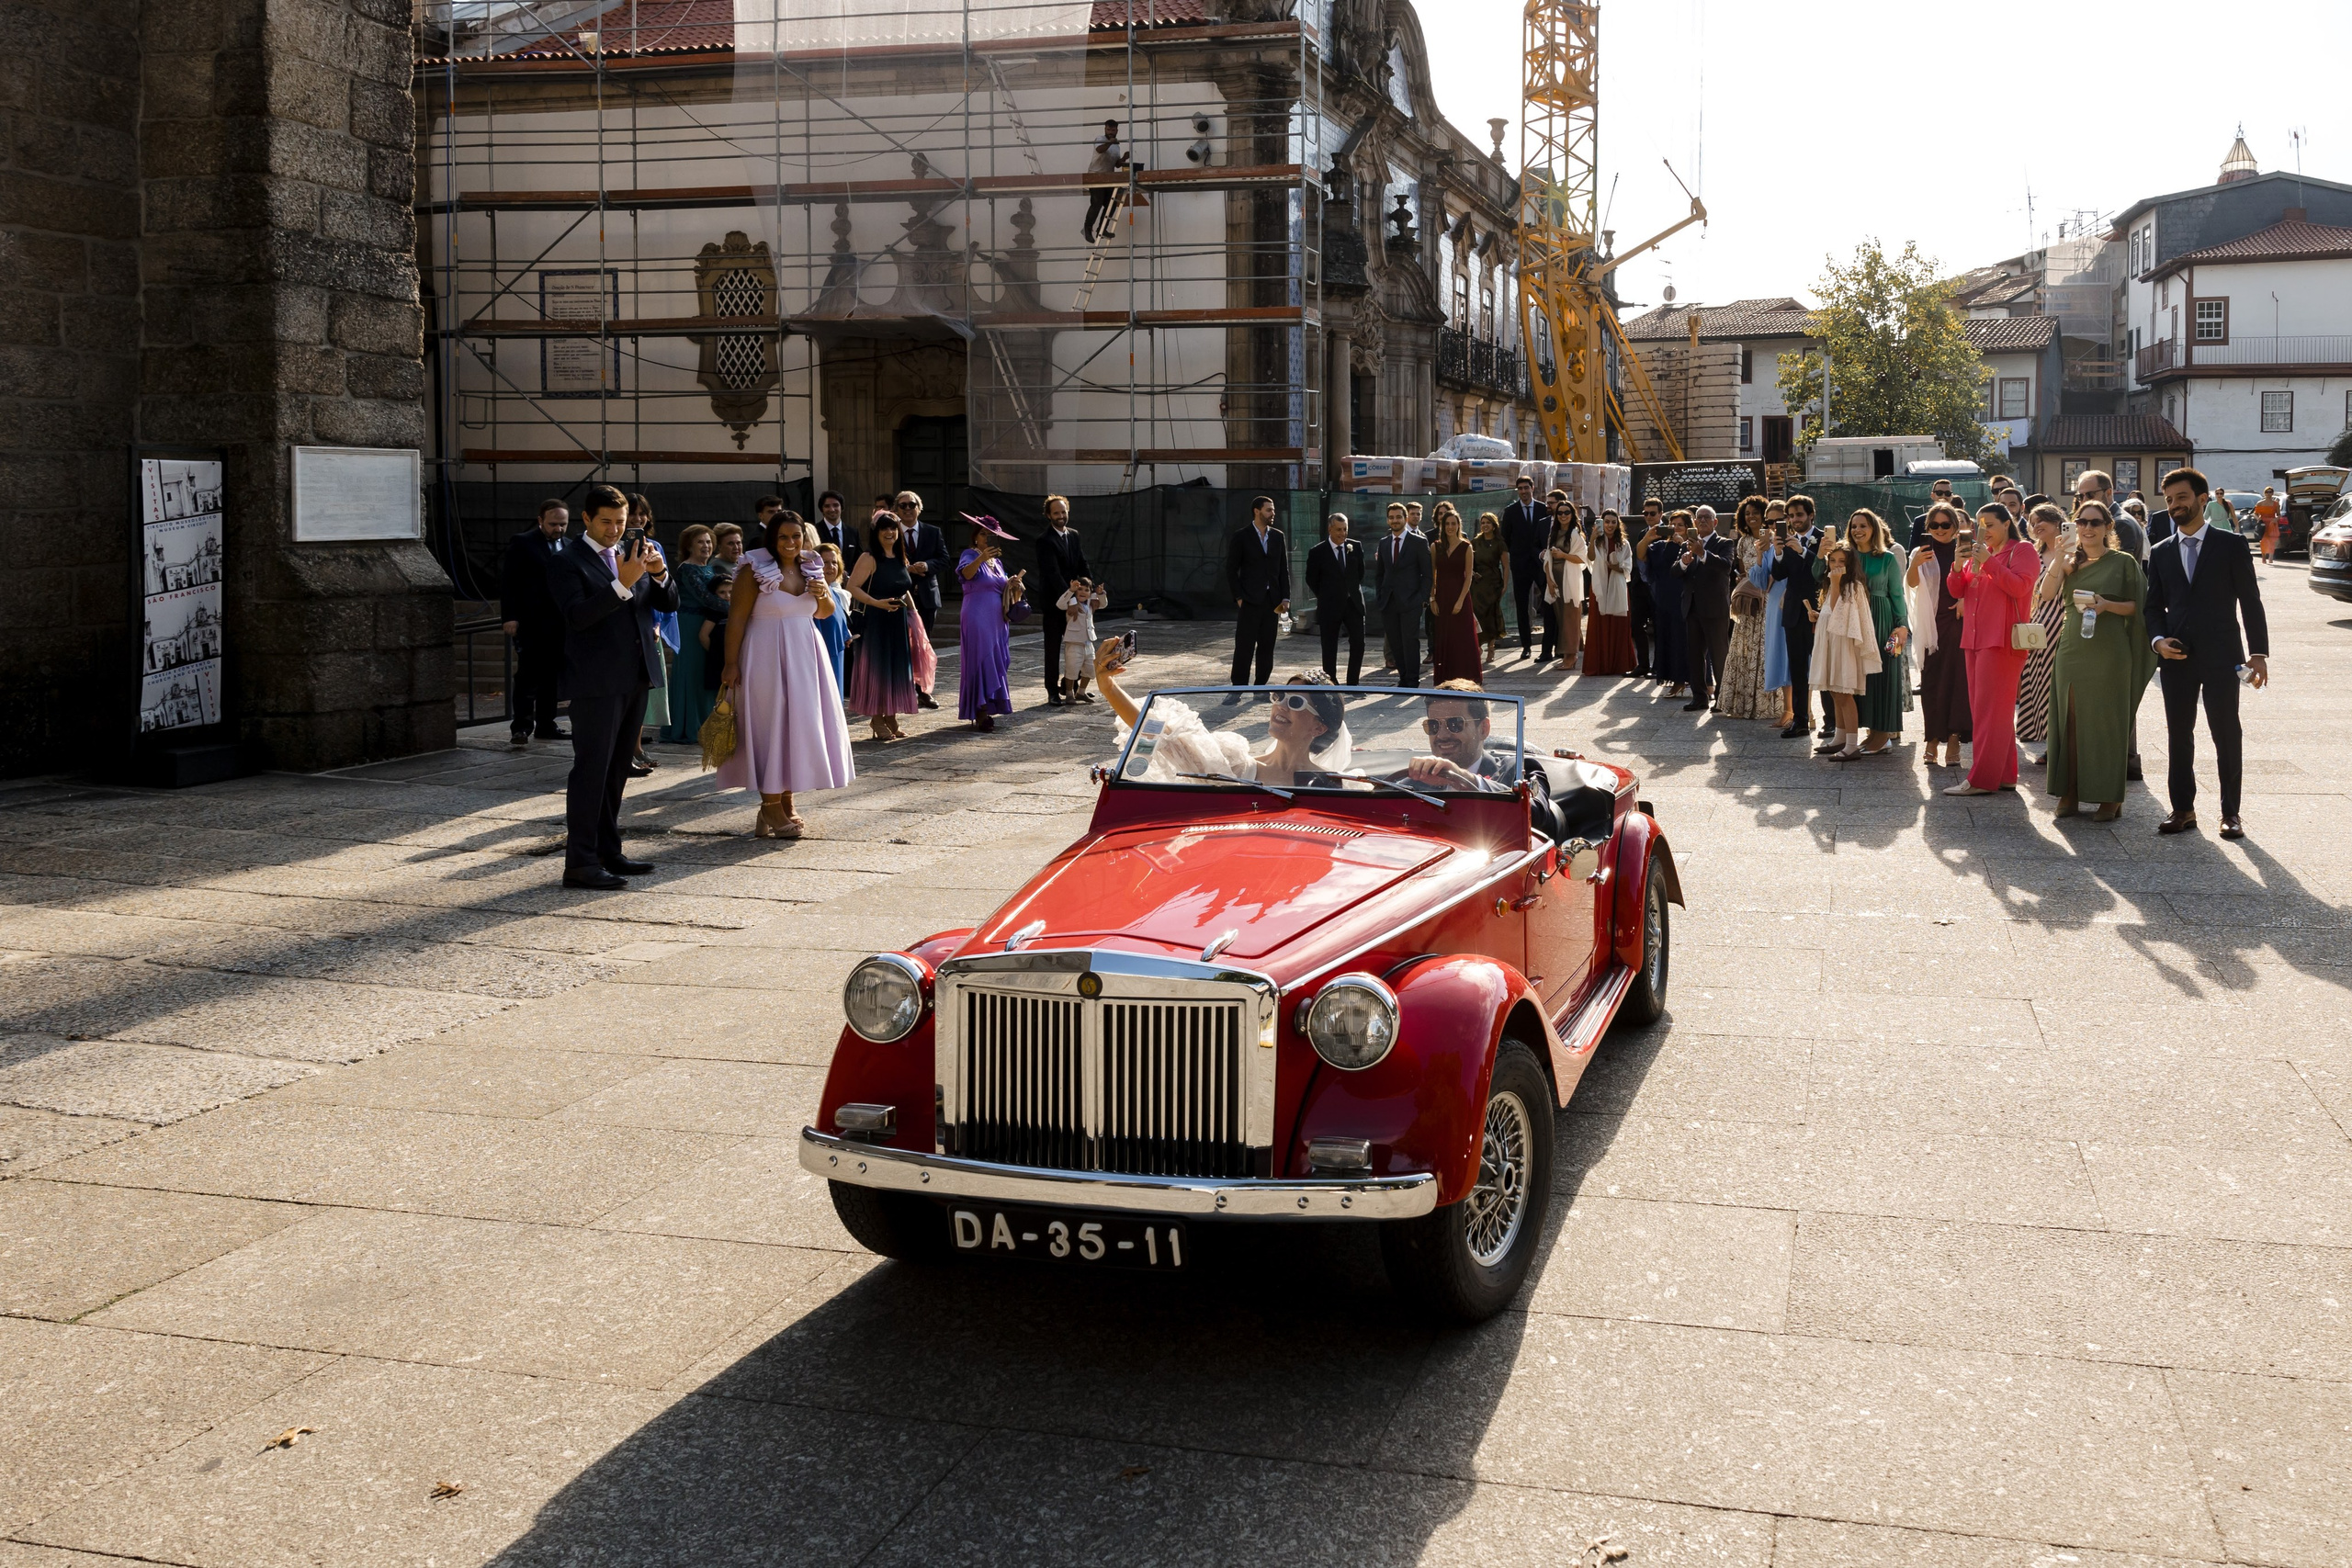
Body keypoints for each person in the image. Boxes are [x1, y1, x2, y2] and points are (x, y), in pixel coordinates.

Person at [545, 483, 675, 890]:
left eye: (621, 522)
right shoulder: (568, 561)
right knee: (591, 770)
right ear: (586, 519)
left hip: (635, 674)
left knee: (618, 768)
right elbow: (578, 616)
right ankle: (579, 863)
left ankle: (608, 850)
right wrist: (622, 584)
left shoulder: (628, 553)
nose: (615, 530)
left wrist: (657, 574)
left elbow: (667, 604)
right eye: (606, 522)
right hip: (596, 682)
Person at [2146, 467, 2269, 839]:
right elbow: (2153, 608)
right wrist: (2158, 641)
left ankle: (2231, 813)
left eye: (2181, 498)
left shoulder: (2230, 545)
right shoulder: (2161, 551)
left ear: (2202, 499)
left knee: (2226, 733)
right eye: (2169, 500)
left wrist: (2259, 653)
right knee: (2178, 734)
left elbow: (2251, 601)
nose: (2174, 506)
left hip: (2223, 656)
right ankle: (2183, 809)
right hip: (2177, 658)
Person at [716, 513, 855, 838]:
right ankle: (770, 804)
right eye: (783, 537)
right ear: (772, 539)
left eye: (796, 537)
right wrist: (731, 663)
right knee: (770, 724)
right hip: (764, 653)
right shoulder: (754, 569)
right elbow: (736, 619)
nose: (791, 543)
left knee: (798, 725)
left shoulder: (811, 565)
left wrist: (822, 593)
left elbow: (823, 613)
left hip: (806, 653)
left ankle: (786, 801)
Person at [1096, 646, 1349, 787]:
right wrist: (1108, 686)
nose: (1281, 706)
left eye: (1294, 702)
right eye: (1279, 695)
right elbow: (1159, 732)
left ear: (1318, 728)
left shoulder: (1335, 784)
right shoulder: (1234, 766)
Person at [2045, 501, 2155, 822]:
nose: (2088, 528)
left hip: (2109, 649)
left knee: (2108, 721)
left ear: (2109, 527)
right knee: (2072, 718)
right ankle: (2071, 791)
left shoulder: (2123, 562)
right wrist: (2059, 559)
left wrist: (2108, 605)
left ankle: (2110, 796)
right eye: (2082, 522)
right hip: (2073, 647)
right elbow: (2047, 593)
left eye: (2095, 522)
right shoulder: (2069, 561)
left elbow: (2140, 606)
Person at [1941, 503, 2039, 796]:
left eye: (1990, 525)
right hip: (1974, 638)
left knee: (1988, 711)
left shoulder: (2022, 550)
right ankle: (2005, 774)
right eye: (1979, 525)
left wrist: (1989, 562)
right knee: (1990, 710)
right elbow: (1957, 590)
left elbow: (2020, 588)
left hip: (2003, 639)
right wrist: (1958, 566)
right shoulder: (1977, 553)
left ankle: (1982, 778)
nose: (1984, 531)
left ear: (2007, 524)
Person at [1408, 681, 1567, 840]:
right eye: (1433, 725)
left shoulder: (1518, 770)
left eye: (1455, 724)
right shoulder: (1415, 781)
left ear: (1484, 728)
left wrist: (1467, 780)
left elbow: (1536, 816)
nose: (1442, 735)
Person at [1815, 509, 1909, 753]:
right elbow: (1820, 576)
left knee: (1882, 675)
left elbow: (1896, 593)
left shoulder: (1887, 558)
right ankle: (1860, 734)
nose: (1858, 530)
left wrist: (1902, 624)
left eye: (1863, 525)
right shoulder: (1847, 555)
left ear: (1874, 529)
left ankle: (1882, 733)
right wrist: (1820, 555)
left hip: (1881, 616)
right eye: (1854, 525)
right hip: (1851, 620)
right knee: (1856, 677)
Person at [845, 511, 932, 742]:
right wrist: (876, 603)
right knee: (878, 670)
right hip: (874, 621)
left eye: (893, 528)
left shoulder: (901, 556)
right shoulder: (868, 557)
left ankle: (891, 716)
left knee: (895, 670)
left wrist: (913, 614)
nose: (889, 532)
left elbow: (904, 589)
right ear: (876, 532)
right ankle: (876, 718)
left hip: (897, 620)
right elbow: (852, 586)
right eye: (884, 528)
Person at [1906, 502, 1972, 768]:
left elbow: (1977, 581)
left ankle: (1954, 738)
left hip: (1958, 623)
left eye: (1946, 525)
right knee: (1931, 682)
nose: (1940, 529)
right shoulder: (1922, 551)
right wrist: (1915, 564)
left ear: (1956, 527)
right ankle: (1932, 738)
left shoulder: (1965, 550)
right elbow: (1910, 584)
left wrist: (1967, 601)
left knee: (1958, 682)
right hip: (1930, 626)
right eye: (1934, 525)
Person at [501, 498, 571, 744]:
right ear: (541, 521)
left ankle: (546, 725)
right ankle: (520, 727)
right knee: (527, 678)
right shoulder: (523, 543)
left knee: (551, 680)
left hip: (560, 625)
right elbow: (510, 581)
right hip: (531, 623)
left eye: (563, 524)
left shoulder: (570, 546)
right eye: (553, 524)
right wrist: (509, 616)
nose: (558, 529)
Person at [1809, 537, 1882, 760]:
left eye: (1842, 561)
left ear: (1850, 564)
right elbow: (1831, 613)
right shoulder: (1831, 582)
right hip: (1830, 641)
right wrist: (1818, 615)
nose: (1837, 564)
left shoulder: (1853, 586)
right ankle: (1839, 738)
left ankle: (1851, 745)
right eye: (1832, 561)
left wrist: (1837, 582)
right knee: (1833, 691)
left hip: (1844, 646)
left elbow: (1841, 615)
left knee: (1844, 693)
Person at [2013, 502, 2070, 766]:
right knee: (2038, 684)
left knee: (2059, 687)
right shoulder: (2032, 553)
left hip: (2064, 621)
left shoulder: (2072, 550)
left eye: (2040, 520)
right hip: (2036, 625)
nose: (2034, 526)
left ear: (2057, 521)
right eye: (2031, 521)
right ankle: (2047, 741)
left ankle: (2058, 746)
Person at [956, 514, 1025, 732]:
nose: (988, 538)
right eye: (984, 534)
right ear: (976, 537)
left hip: (997, 619)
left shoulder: (997, 562)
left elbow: (1000, 587)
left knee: (995, 660)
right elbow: (966, 574)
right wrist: (981, 558)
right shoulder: (969, 554)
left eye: (992, 535)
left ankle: (991, 704)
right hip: (976, 616)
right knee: (980, 659)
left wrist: (1013, 584)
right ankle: (980, 709)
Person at [1224, 495, 1291, 692]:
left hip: (1272, 602)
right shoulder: (1242, 536)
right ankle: (1238, 687)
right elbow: (1230, 569)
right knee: (1244, 646)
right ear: (1257, 511)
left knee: (1267, 646)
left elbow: (1283, 569)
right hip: (1250, 601)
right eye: (1269, 510)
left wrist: (1285, 597)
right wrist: (1239, 598)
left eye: (1273, 510)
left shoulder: (1278, 536)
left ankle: (1260, 686)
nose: (1273, 514)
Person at [664, 524, 722, 745]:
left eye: (708, 541)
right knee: (692, 672)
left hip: (708, 624)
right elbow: (705, 599)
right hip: (690, 625)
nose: (706, 545)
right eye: (700, 541)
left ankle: (707, 723)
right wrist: (736, 608)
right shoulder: (687, 569)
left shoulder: (710, 568)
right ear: (689, 546)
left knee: (706, 673)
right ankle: (688, 726)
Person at [1717, 496, 1774, 719]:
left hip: (1768, 599)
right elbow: (1743, 571)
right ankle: (1742, 704)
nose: (1751, 517)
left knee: (1764, 650)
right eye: (1747, 513)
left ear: (1764, 515)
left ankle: (1764, 704)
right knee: (1744, 650)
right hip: (1748, 604)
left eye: (1756, 513)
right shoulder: (1742, 542)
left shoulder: (1771, 538)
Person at [1674, 505, 1735, 712]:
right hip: (1692, 609)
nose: (1702, 521)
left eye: (1707, 518)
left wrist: (1703, 553)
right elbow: (1674, 572)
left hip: (1715, 609)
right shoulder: (1686, 545)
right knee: (1695, 656)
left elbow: (1726, 567)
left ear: (1715, 522)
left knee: (1719, 655)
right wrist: (1683, 563)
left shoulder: (1725, 543)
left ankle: (1722, 698)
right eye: (1698, 518)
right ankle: (1699, 697)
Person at [626, 494, 669, 775]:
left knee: (642, 694)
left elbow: (662, 590)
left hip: (649, 630)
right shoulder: (616, 548)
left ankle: (636, 746)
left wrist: (657, 624)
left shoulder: (655, 547)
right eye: (632, 514)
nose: (638, 519)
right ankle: (624, 751)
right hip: (623, 632)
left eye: (643, 514)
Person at [892, 491, 949, 707]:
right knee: (901, 646)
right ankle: (902, 691)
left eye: (912, 505)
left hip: (926, 597)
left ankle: (924, 691)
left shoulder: (933, 532)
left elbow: (944, 559)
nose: (908, 509)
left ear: (919, 507)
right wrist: (904, 568)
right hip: (898, 596)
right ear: (896, 509)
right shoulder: (891, 531)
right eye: (903, 505)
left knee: (924, 646)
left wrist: (927, 566)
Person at [1774, 496, 1824, 739]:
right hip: (1794, 612)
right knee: (1797, 669)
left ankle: (1832, 722)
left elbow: (1823, 573)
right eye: (1791, 516)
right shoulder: (1787, 541)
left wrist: (1803, 550)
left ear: (1811, 515)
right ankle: (1801, 720)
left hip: (1820, 611)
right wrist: (1779, 552)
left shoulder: (1825, 538)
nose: (1795, 520)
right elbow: (1779, 573)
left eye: (1800, 515)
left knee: (1824, 668)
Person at [1033, 494, 1090, 705]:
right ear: (1048, 515)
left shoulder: (1074, 535)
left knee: (1077, 645)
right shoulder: (1044, 540)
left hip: (1076, 600)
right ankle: (1052, 690)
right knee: (1053, 647)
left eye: (1063, 512)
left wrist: (1089, 590)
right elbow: (1053, 574)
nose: (1061, 516)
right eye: (1056, 513)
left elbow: (1082, 564)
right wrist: (1071, 601)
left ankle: (1072, 688)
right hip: (1054, 602)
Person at [1372, 502, 1432, 688]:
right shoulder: (1384, 543)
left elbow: (1427, 574)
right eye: (1391, 517)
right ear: (1387, 520)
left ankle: (1412, 680)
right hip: (1389, 602)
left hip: (1412, 601)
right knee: (1396, 643)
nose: (1395, 520)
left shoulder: (1419, 542)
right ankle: (1403, 677)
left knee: (1410, 641)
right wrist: (1381, 596)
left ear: (1405, 519)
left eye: (1398, 517)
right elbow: (1380, 574)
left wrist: (1422, 598)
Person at [1306, 512, 1365, 684]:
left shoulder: (1355, 546)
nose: (1342, 533)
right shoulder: (1317, 552)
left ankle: (1353, 682)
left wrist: (1349, 591)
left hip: (1353, 604)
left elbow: (1359, 573)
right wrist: (1326, 595)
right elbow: (1311, 579)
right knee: (1329, 645)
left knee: (1359, 644)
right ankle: (1331, 683)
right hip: (1329, 605)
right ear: (1330, 529)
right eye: (1338, 529)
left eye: (1345, 529)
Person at [1430, 503, 1481, 684]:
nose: (1450, 527)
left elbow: (1468, 577)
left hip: (1460, 598)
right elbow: (1432, 575)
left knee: (1463, 638)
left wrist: (1460, 601)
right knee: (1445, 638)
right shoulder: (1436, 547)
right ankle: (1445, 678)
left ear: (1459, 525)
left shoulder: (1467, 546)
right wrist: (1432, 598)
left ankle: (1467, 677)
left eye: (1454, 523)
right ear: (1442, 526)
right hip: (1442, 598)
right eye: (1447, 524)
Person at [1582, 510, 1636, 676]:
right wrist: (1591, 539)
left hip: (1617, 586)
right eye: (1607, 522)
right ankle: (1599, 664)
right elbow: (1590, 558)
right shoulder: (1597, 542)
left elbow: (1627, 567)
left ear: (1617, 524)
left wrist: (1614, 566)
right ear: (1602, 523)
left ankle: (1619, 664)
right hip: (1599, 586)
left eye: (1613, 522)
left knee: (1619, 625)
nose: (1610, 525)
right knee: (1599, 624)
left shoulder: (1624, 543)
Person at [1500, 476, 1549, 659]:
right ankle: (1526, 646)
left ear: (1532, 488)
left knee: (1548, 602)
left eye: (1526, 488)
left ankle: (1548, 644)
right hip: (1520, 565)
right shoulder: (1510, 511)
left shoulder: (1543, 509)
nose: (1523, 492)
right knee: (1521, 606)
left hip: (1541, 563)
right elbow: (1505, 538)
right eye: (1520, 489)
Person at [1642, 508, 1688, 697]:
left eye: (1681, 525)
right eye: (1673, 525)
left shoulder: (1690, 543)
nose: (1676, 528)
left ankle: (1699, 682)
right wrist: (1648, 538)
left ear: (1687, 528)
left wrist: (1682, 544)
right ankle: (1675, 680)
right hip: (1663, 598)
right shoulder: (1659, 546)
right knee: (1667, 639)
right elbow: (1641, 555)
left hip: (1683, 597)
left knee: (1685, 640)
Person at [1757, 502, 1792, 725]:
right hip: (1774, 606)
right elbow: (1761, 582)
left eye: (1778, 520)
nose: (1773, 525)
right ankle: (1789, 710)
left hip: (1794, 601)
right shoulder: (1769, 548)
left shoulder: (1798, 542)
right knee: (1781, 655)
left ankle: (1804, 711)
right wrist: (1760, 555)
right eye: (1769, 522)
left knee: (1798, 657)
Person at [1543, 491, 1585, 667]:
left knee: (1570, 617)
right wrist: (1549, 581)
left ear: (1572, 514)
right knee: (1562, 618)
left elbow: (1582, 558)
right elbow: (1547, 558)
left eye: (1567, 512)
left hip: (1570, 580)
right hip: (1556, 578)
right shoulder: (1553, 534)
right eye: (1559, 513)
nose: (1563, 515)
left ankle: (1570, 656)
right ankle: (1574, 650)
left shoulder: (1575, 535)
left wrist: (1563, 555)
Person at [1056, 576, 1107, 703]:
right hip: (1074, 642)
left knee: (1090, 669)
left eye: (1086, 590)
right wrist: (1071, 591)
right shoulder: (1071, 603)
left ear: (1090, 593)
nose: (1083, 592)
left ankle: (1081, 692)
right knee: (1072, 668)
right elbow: (1059, 604)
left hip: (1088, 642)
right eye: (1080, 589)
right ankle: (1069, 694)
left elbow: (1104, 604)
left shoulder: (1091, 604)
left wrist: (1100, 594)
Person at [814, 542, 854, 703]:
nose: (830, 567)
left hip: (837, 656)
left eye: (834, 562)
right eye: (825, 562)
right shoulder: (814, 592)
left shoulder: (834, 593)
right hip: (822, 657)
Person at [1628, 496, 1662, 678]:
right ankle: (1642, 665)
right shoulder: (1643, 533)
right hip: (1640, 586)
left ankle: (1657, 666)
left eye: (1652, 513)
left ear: (1660, 514)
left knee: (1658, 627)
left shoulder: (1667, 531)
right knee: (1636, 625)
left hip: (1658, 587)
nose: (1648, 516)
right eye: (1645, 513)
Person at [1471, 511, 1507, 664]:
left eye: (1488, 523)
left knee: (1491, 615)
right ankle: (1477, 646)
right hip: (1477, 585)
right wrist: (1472, 573)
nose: (1485, 525)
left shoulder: (1500, 543)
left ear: (1494, 526)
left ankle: (1491, 647)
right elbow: (1468, 562)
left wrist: (1505, 585)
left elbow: (1506, 566)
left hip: (1493, 583)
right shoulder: (1475, 542)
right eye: (1483, 523)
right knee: (1477, 615)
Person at [1083, 118, 1125, 243]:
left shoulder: (1116, 146)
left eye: (1113, 130)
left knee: (1111, 205)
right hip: (1096, 176)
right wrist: (1110, 143)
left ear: (1117, 130)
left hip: (1109, 178)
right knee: (1097, 203)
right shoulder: (1100, 139)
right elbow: (1100, 150)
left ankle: (1102, 228)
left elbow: (1116, 164)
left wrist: (1124, 158)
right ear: (1105, 129)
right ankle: (1087, 228)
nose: (1111, 132)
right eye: (1108, 130)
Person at [810, 491, 857, 569]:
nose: (832, 509)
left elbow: (858, 559)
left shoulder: (853, 532)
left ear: (841, 507)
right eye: (827, 506)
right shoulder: (814, 531)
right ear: (822, 509)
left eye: (836, 505)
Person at [2254, 485, 2282, 565]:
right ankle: (2263, 557)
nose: (2269, 494)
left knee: (2272, 540)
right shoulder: (2260, 503)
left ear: (2272, 493)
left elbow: (2279, 514)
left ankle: (2270, 557)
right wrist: (2258, 518)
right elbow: (2255, 514)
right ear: (2264, 493)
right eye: (2267, 492)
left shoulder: (2276, 504)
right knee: (2263, 541)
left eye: (2270, 492)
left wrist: (2276, 519)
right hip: (2263, 523)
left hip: (2272, 523)